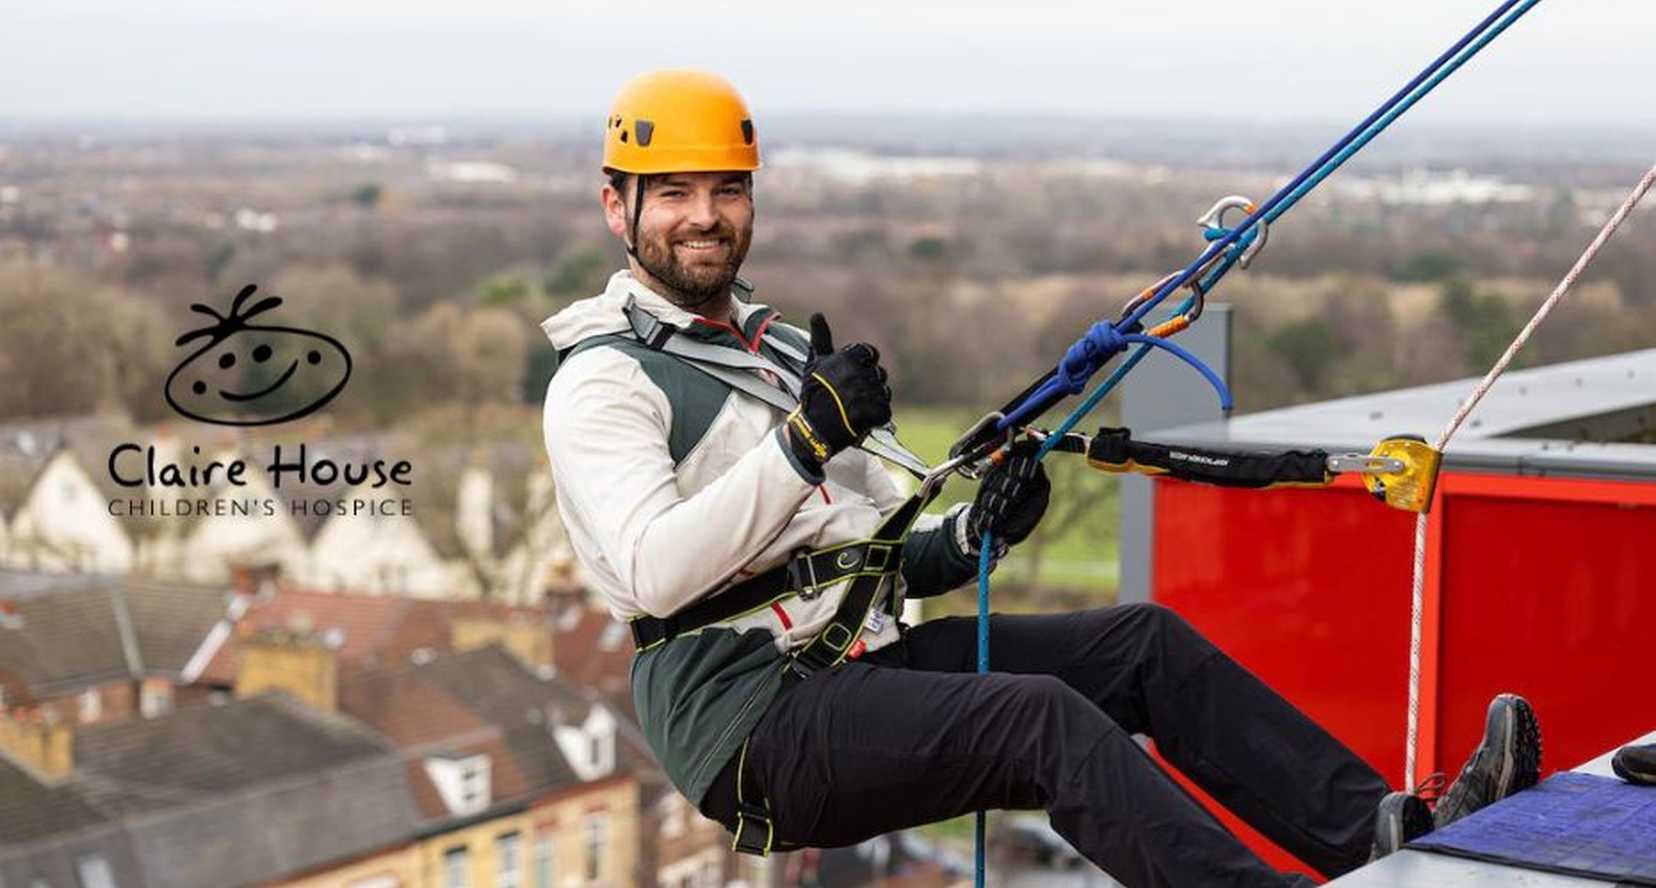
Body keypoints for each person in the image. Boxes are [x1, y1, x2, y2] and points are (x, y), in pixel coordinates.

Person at [539, 69, 1542, 888]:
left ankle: (1389, 835)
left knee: (1139, 645)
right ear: (616, 208)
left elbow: (874, 554)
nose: (705, 217)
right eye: (673, 192)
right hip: (749, 725)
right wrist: (803, 441)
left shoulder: (775, 348)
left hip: (850, 668)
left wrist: (976, 535)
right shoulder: (605, 381)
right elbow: (655, 571)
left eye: (726, 190)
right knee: (1038, 720)